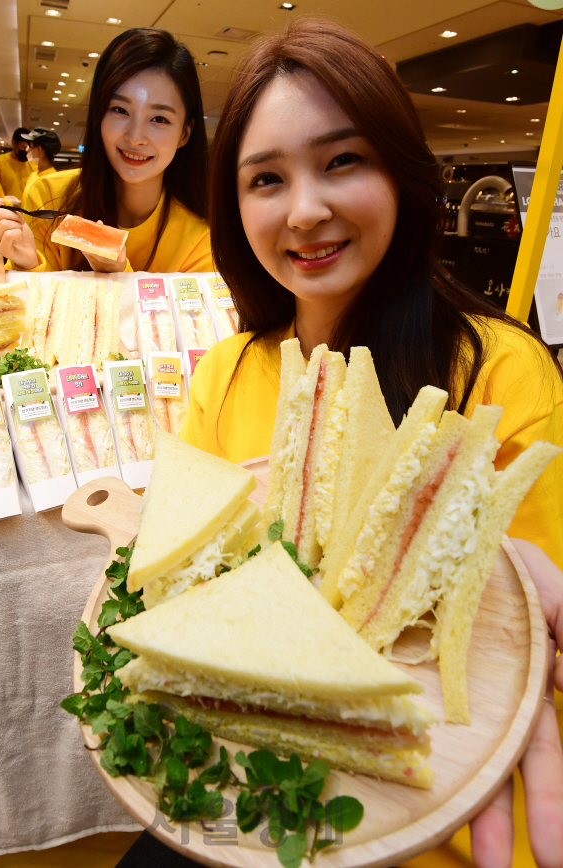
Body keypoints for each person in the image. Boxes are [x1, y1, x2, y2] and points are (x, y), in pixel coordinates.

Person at [180, 18, 563, 868]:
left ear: (401, 169)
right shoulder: (224, 375)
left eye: (343, 160)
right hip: (264, 798)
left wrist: (494, 577)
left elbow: (516, 658)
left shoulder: (504, 373)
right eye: (266, 178)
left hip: (439, 809)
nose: (306, 209)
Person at [0, 28, 212, 275]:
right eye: (120, 110)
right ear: (99, 113)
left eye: (159, 118)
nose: (135, 137)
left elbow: (185, 315)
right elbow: (35, 308)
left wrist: (118, 274)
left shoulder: (202, 237)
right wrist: (26, 262)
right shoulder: (49, 197)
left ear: (184, 133)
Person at [0, 127, 35, 201]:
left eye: (30, 148)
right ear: (14, 143)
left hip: (27, 210)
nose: (27, 151)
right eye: (24, 147)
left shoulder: (34, 165)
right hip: (5, 209)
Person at [19, 127, 60, 208]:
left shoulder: (53, 180)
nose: (26, 149)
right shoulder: (34, 174)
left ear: (38, 149)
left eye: (29, 146)